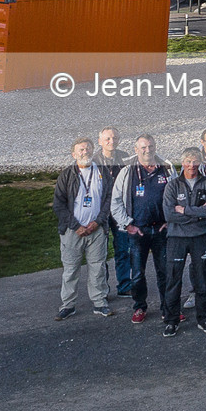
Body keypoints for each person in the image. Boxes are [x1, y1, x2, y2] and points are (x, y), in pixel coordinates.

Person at [110, 134, 170, 325]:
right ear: (136, 150)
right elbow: (115, 201)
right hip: (138, 231)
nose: (147, 150)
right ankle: (139, 307)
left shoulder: (166, 169)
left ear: (155, 147)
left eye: (150, 146)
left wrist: (170, 221)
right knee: (137, 273)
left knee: (165, 272)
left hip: (161, 230)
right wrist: (127, 224)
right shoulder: (127, 172)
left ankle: (168, 308)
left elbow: (177, 196)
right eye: (143, 147)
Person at [52, 138, 112, 321]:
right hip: (72, 231)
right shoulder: (66, 175)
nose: (85, 152)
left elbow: (109, 199)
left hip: (97, 230)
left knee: (98, 268)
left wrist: (98, 222)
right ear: (74, 154)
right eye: (81, 150)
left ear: (93, 150)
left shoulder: (102, 172)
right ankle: (68, 305)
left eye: (88, 149)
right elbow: (59, 204)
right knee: (70, 270)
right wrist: (75, 226)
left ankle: (100, 302)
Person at [161, 147, 206, 336]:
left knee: (202, 279)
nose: (192, 165)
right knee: (173, 279)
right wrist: (198, 215)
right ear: (182, 162)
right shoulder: (172, 185)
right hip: (176, 238)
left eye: (195, 161)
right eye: (188, 161)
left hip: (200, 237)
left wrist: (185, 210)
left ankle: (204, 318)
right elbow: (169, 214)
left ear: (200, 163)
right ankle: (171, 321)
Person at [95, 128, 134, 298]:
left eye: (115, 138)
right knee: (100, 252)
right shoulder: (94, 160)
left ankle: (124, 285)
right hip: (101, 212)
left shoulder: (125, 158)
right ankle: (102, 289)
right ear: (100, 141)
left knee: (123, 249)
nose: (112, 141)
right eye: (108, 138)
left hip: (120, 210)